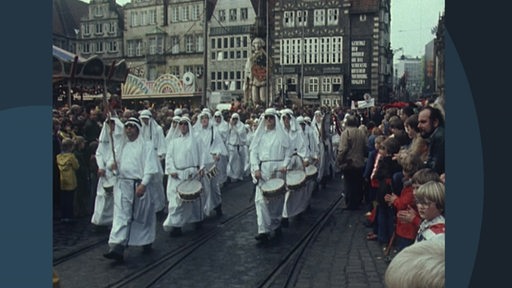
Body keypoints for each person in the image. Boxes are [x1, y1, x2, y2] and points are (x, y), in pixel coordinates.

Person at [103, 117, 160, 261]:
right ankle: (117, 247)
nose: (129, 129)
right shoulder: (121, 146)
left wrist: (144, 184)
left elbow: (150, 167)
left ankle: (146, 241)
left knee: (142, 217)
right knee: (121, 216)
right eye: (126, 127)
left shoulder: (146, 146)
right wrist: (112, 167)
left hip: (139, 185)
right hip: (123, 185)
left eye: (132, 127)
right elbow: (111, 163)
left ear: (137, 129)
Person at [250, 108, 292, 243]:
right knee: (260, 201)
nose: (268, 120)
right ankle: (263, 230)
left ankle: (276, 224)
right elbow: (253, 153)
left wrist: (285, 165)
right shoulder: (259, 135)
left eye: (271, 118)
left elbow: (288, 153)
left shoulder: (282, 136)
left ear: (275, 119)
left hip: (278, 170)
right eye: (266, 118)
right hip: (263, 171)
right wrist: (256, 168)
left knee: (276, 202)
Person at [163, 116, 205, 237]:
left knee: (194, 200)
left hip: (192, 173)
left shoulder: (196, 140)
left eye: (185, 124)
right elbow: (169, 157)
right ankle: (176, 225)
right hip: (177, 175)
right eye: (180, 124)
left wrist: (201, 168)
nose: (182, 127)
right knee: (176, 201)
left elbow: (201, 154)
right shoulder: (174, 141)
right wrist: (171, 170)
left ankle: (197, 219)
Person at [91, 116, 124, 230]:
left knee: (114, 199)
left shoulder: (121, 139)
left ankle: (113, 221)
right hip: (104, 174)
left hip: (114, 173)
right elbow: (99, 153)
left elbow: (118, 154)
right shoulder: (104, 139)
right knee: (101, 196)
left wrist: (110, 165)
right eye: (109, 124)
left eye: (113, 124)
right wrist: (101, 166)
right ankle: (99, 221)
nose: (111, 126)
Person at [193, 110, 228, 217]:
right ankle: (202, 210)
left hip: (211, 163)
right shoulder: (196, 132)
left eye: (206, 118)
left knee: (214, 185)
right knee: (202, 188)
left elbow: (218, 144)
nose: (204, 120)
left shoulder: (214, 131)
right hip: (200, 165)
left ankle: (217, 205)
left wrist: (217, 153)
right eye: (202, 118)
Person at [280, 109, 309, 227]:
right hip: (285, 163)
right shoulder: (280, 132)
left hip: (297, 160)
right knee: (286, 189)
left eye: (287, 118)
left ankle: (298, 210)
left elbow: (303, 145)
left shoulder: (297, 132)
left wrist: (305, 158)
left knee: (297, 188)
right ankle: (284, 214)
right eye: (283, 118)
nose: (286, 121)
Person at [336, 114, 368, 210]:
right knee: (358, 183)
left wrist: (339, 160)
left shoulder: (346, 133)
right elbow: (365, 147)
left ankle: (350, 204)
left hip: (349, 163)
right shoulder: (361, 132)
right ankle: (358, 201)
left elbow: (343, 149)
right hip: (360, 162)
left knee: (349, 184)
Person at [139, 109, 167, 214]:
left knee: (157, 182)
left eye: (146, 119)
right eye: (143, 119)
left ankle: (160, 206)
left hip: (156, 156)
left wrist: (161, 155)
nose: (145, 121)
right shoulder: (141, 130)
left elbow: (161, 143)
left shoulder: (158, 129)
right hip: (145, 157)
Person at [56, 138, 80, 222]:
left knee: (63, 199)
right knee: (70, 199)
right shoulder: (71, 157)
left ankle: (63, 215)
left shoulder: (58, 157)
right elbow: (76, 166)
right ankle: (70, 216)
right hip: (71, 180)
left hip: (62, 180)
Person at [417, 106, 445, 174]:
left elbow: (434, 168)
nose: (418, 126)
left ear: (435, 122)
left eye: (423, 122)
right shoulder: (437, 135)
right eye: (419, 122)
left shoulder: (439, 138)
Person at [244, 37, 269, 105]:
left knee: (263, 98)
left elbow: (269, 64)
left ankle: (262, 107)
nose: (257, 45)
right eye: (255, 43)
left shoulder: (264, 56)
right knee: (255, 99)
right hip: (254, 79)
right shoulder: (252, 57)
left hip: (262, 79)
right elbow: (249, 67)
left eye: (258, 43)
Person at [226, 113, 247, 183]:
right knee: (231, 162)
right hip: (231, 147)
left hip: (239, 147)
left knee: (238, 164)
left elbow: (241, 135)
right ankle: (231, 175)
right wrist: (231, 127)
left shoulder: (241, 126)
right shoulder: (230, 126)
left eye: (236, 119)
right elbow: (227, 135)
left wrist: (234, 127)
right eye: (233, 119)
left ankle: (238, 176)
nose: (234, 120)